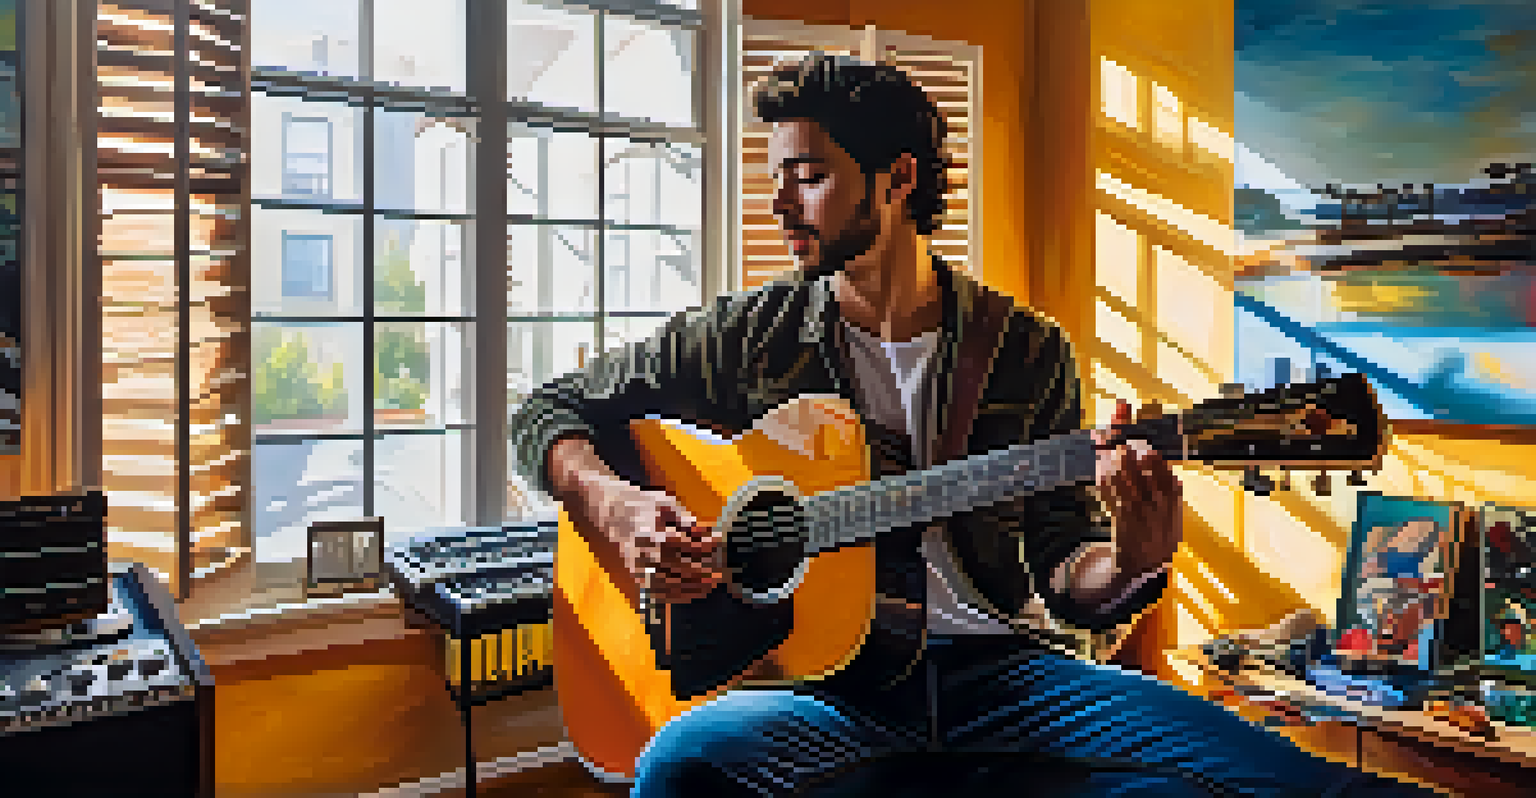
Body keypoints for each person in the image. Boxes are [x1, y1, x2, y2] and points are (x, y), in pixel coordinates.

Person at [510, 53, 1438, 798]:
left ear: (897, 179)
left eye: (809, 179)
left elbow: (1071, 570)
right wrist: (617, 507)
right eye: (779, 179)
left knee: (1289, 780)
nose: (782, 205)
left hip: (1009, 676)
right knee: (681, 766)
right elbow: (544, 409)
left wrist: (1135, 558)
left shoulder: (1027, 351)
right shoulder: (747, 338)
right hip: (826, 694)